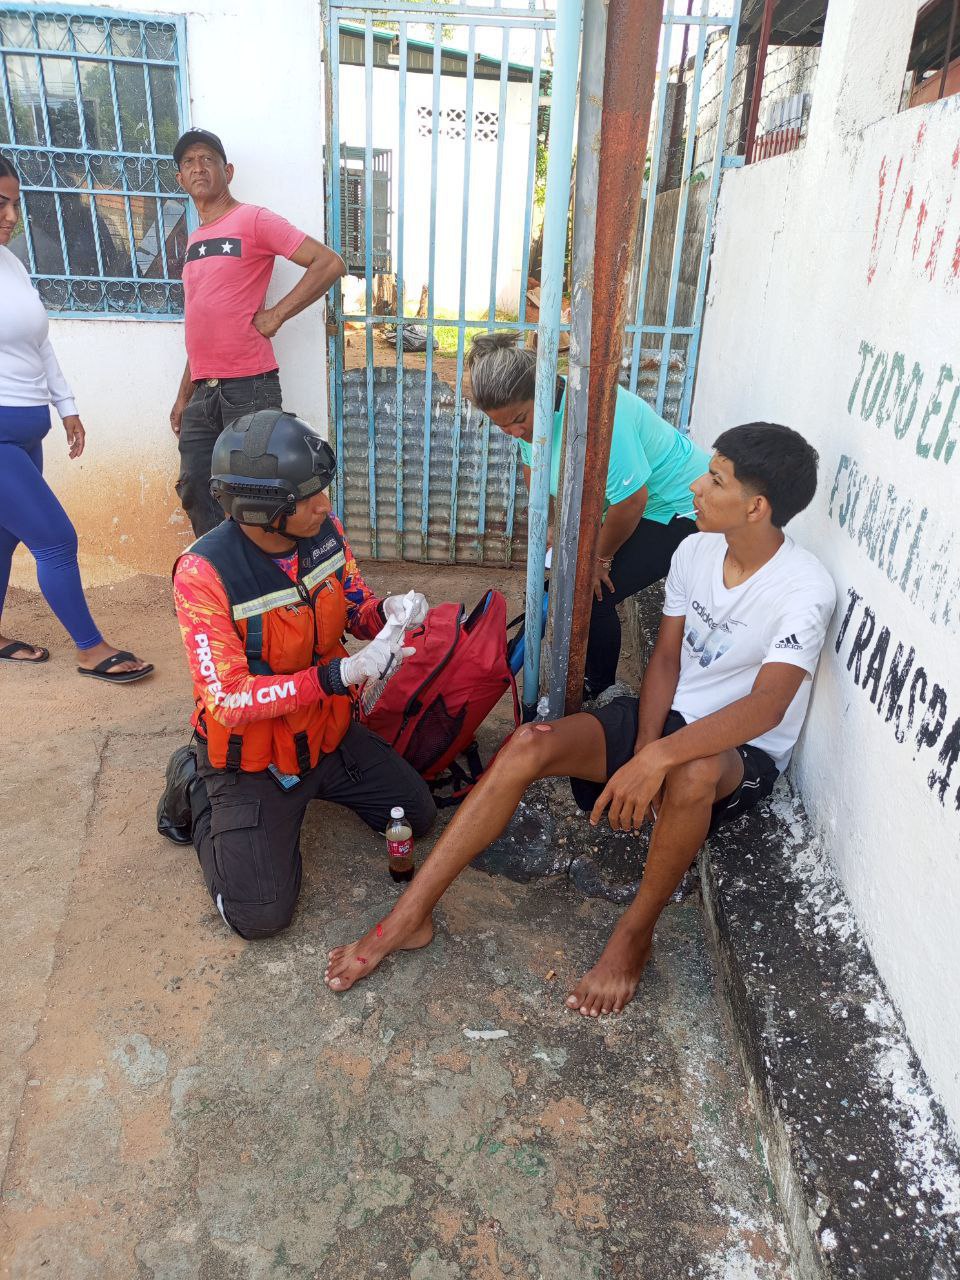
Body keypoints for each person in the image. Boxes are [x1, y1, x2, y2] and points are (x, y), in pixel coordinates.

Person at [324, 423, 837, 1016]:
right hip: (670, 719)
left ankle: (634, 934)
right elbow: (665, 659)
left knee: (693, 772)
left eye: (715, 480)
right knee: (528, 742)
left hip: (738, 751)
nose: (696, 486)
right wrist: (644, 748)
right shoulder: (695, 549)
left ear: (756, 506)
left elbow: (768, 705)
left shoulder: (803, 588)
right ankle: (408, 916)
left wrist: (658, 759)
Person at [159, 407, 436, 940]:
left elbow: (355, 607)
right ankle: (195, 784)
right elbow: (228, 699)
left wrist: (388, 614)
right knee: (260, 917)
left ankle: (309, 791)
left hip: (324, 734)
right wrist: (338, 675)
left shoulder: (324, 533)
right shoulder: (203, 573)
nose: (324, 506)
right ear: (263, 509)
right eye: (307, 498)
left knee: (416, 816)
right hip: (254, 758)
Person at [467, 331, 710, 698]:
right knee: (562, 587)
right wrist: (551, 523)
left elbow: (633, 500)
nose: (515, 432)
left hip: (679, 504)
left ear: (545, 391)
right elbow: (533, 467)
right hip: (628, 502)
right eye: (501, 426)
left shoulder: (597, 415)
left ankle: (600, 692)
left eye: (519, 419)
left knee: (592, 595)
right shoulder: (532, 423)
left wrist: (600, 558)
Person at [0, 158, 153, 683]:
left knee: (5, 538)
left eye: (15, 203)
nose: (11, 215)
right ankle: (90, 648)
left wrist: (66, 407)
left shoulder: (11, 264)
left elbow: (39, 344)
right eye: (0, 203)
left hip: (27, 431)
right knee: (56, 540)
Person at [170, 127, 347, 536]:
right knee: (196, 488)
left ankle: (266, 572)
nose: (198, 167)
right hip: (203, 392)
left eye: (208, 159)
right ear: (180, 178)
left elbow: (329, 262)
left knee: (259, 496)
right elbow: (202, 326)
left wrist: (277, 315)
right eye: (189, 162)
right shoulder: (195, 241)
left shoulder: (253, 219)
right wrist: (183, 397)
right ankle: (223, 569)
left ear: (228, 171)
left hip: (248, 386)